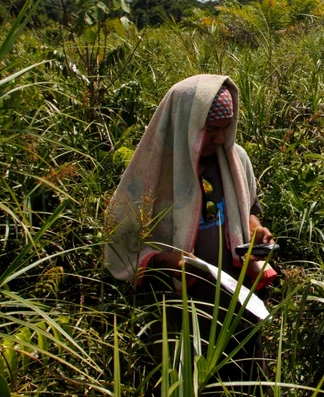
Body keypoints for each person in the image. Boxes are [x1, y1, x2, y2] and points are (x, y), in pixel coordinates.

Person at [105, 74, 276, 387]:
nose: (219, 138)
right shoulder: (153, 174)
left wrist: (257, 230)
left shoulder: (236, 160)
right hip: (180, 311)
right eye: (210, 129)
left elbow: (250, 209)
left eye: (226, 128)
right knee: (186, 383)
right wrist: (164, 260)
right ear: (186, 123)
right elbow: (122, 241)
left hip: (235, 303)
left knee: (245, 381)